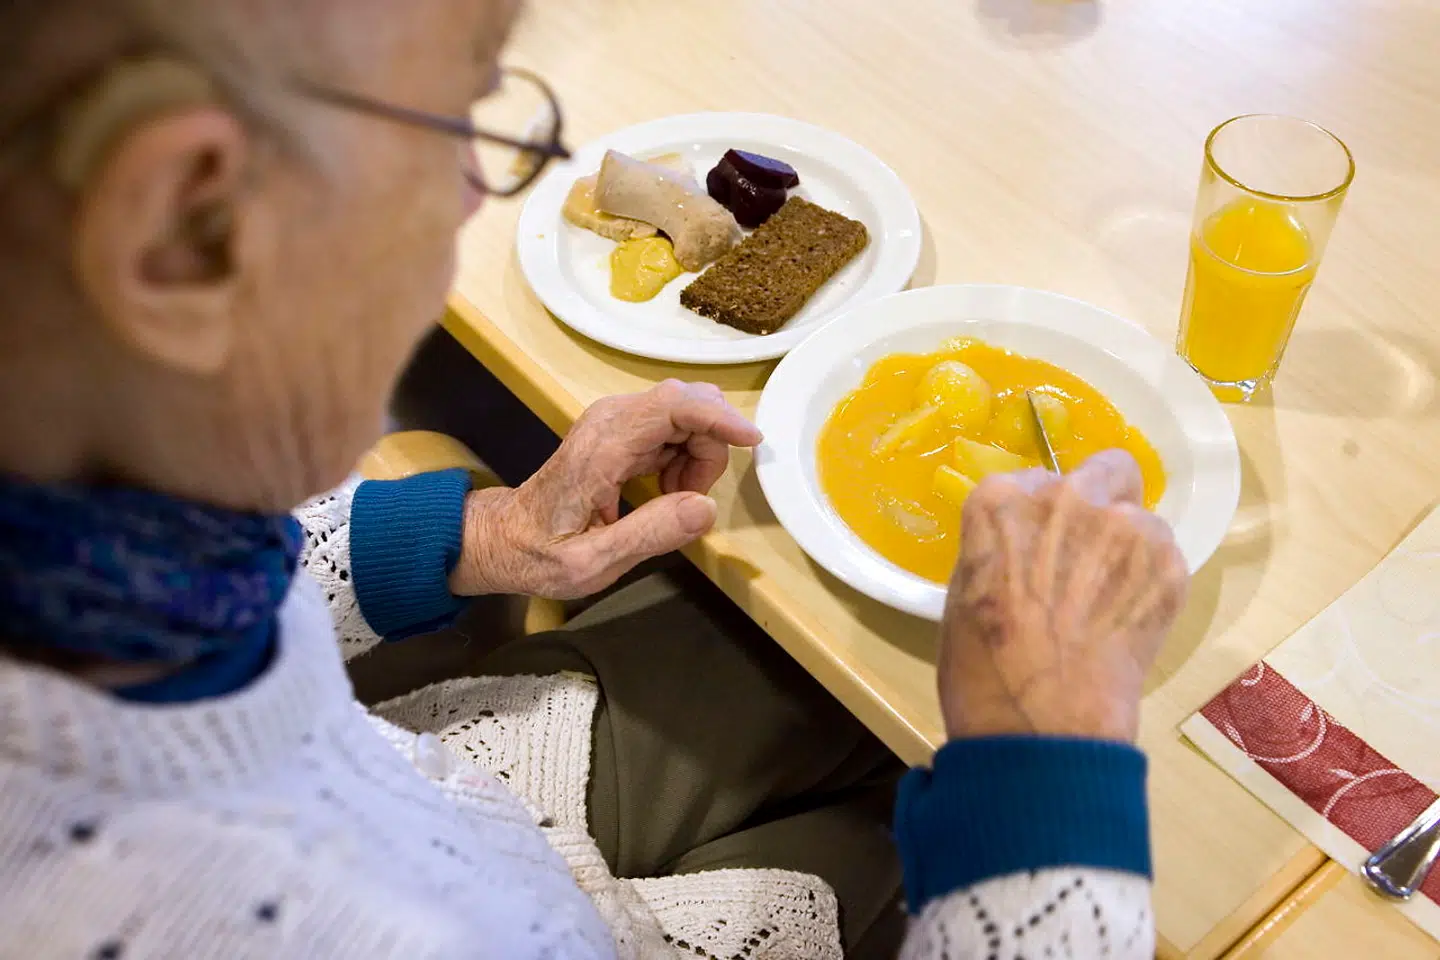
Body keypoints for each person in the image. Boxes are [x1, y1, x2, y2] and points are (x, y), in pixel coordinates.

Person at [0, 1, 1188, 958]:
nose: (477, 192)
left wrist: (477, 534)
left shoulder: (110, 543)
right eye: (456, 118)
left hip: (462, 789)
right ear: (182, 234)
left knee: (824, 673)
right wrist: (1050, 780)